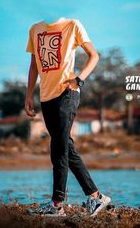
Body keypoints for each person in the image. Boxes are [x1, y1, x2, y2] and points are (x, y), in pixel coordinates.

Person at [25, 17, 111, 217]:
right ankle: (96, 197)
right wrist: (29, 95)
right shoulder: (34, 29)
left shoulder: (73, 25)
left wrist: (79, 80)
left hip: (67, 94)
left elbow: (94, 56)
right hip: (46, 98)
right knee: (66, 148)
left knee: (58, 150)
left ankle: (57, 206)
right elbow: (34, 65)